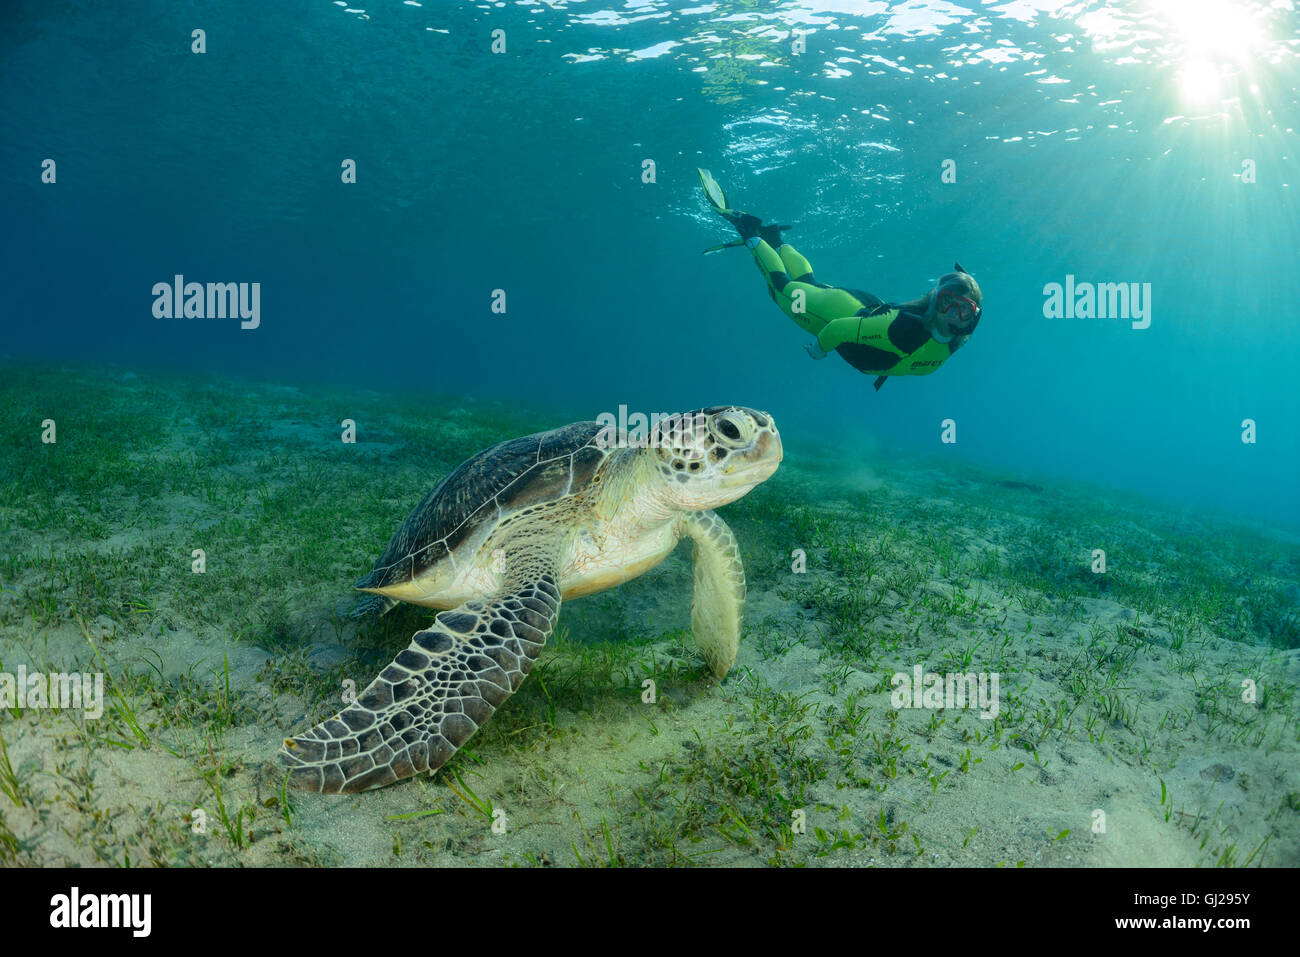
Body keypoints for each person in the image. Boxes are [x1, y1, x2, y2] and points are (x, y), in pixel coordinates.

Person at [700, 168, 982, 391]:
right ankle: (748, 231)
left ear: (973, 318)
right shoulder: (899, 329)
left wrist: (963, 280)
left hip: (857, 304)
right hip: (834, 312)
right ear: (934, 300)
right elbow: (836, 330)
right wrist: (817, 351)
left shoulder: (957, 340)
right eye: (947, 303)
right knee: (781, 288)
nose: (953, 316)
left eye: (963, 309)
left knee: (807, 281)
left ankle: (774, 239)